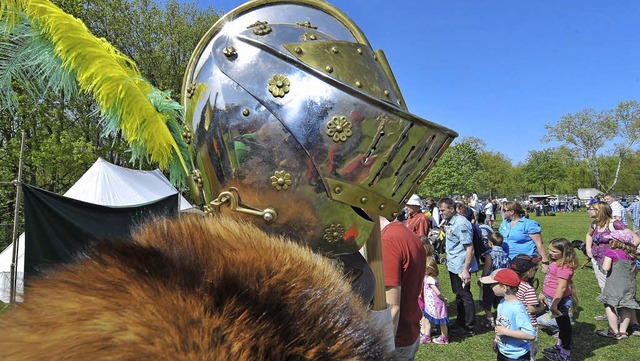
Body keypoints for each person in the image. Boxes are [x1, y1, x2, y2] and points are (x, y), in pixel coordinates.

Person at [381, 217, 427, 360]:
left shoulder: (388, 240)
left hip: (396, 339)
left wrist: (385, 351)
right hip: (409, 330)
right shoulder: (407, 233)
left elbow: (392, 307)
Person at [438, 197, 478, 336]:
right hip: (454, 265)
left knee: (465, 295)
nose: (441, 212)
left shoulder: (461, 223)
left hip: (461, 266)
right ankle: (460, 322)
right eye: (440, 210)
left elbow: (469, 248)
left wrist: (466, 269)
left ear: (451, 209)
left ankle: (468, 327)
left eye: (443, 210)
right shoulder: (450, 222)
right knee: (459, 294)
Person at [480, 268, 536, 361]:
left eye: (493, 284)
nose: (490, 286)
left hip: (517, 356)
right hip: (503, 351)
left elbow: (530, 335)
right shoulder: (502, 303)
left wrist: (505, 332)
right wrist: (496, 340)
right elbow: (500, 324)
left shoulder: (517, 309)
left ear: (504, 288)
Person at [594, 230, 640, 339]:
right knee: (626, 306)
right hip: (629, 285)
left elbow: (605, 267)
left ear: (616, 241)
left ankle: (614, 331)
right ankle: (623, 331)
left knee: (609, 305)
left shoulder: (611, 252)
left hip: (614, 285)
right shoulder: (632, 255)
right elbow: (636, 270)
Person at [540, 238, 578, 361]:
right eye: (549, 250)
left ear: (564, 252)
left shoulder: (564, 267)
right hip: (552, 298)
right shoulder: (556, 262)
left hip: (559, 301)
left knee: (564, 327)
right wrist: (544, 293)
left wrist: (555, 304)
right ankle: (559, 347)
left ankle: (564, 353)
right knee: (561, 326)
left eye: (554, 251)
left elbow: (561, 287)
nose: (550, 253)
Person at [510, 254, 546, 361]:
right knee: (530, 352)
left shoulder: (511, 285)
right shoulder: (528, 289)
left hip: (515, 323)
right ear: (529, 271)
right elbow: (531, 309)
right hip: (528, 325)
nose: (537, 269)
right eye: (535, 268)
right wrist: (542, 307)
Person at [499, 201, 550, 272]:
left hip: (524, 262)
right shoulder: (504, 223)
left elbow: (539, 244)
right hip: (506, 260)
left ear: (512, 212)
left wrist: (545, 262)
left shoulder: (529, 224)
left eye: (504, 210)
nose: (502, 212)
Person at [480, 232, 511, 328]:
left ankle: (490, 320)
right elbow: (508, 267)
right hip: (502, 281)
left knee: (487, 300)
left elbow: (487, 267)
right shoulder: (505, 254)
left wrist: (482, 277)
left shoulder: (490, 254)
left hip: (491, 280)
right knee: (500, 300)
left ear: (490, 242)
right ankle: (499, 318)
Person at [420, 253, 449, 345]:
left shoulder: (429, 280)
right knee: (432, 318)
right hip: (431, 303)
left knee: (439, 320)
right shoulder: (432, 277)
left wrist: (443, 298)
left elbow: (437, 292)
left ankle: (442, 337)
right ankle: (431, 335)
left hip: (434, 303)